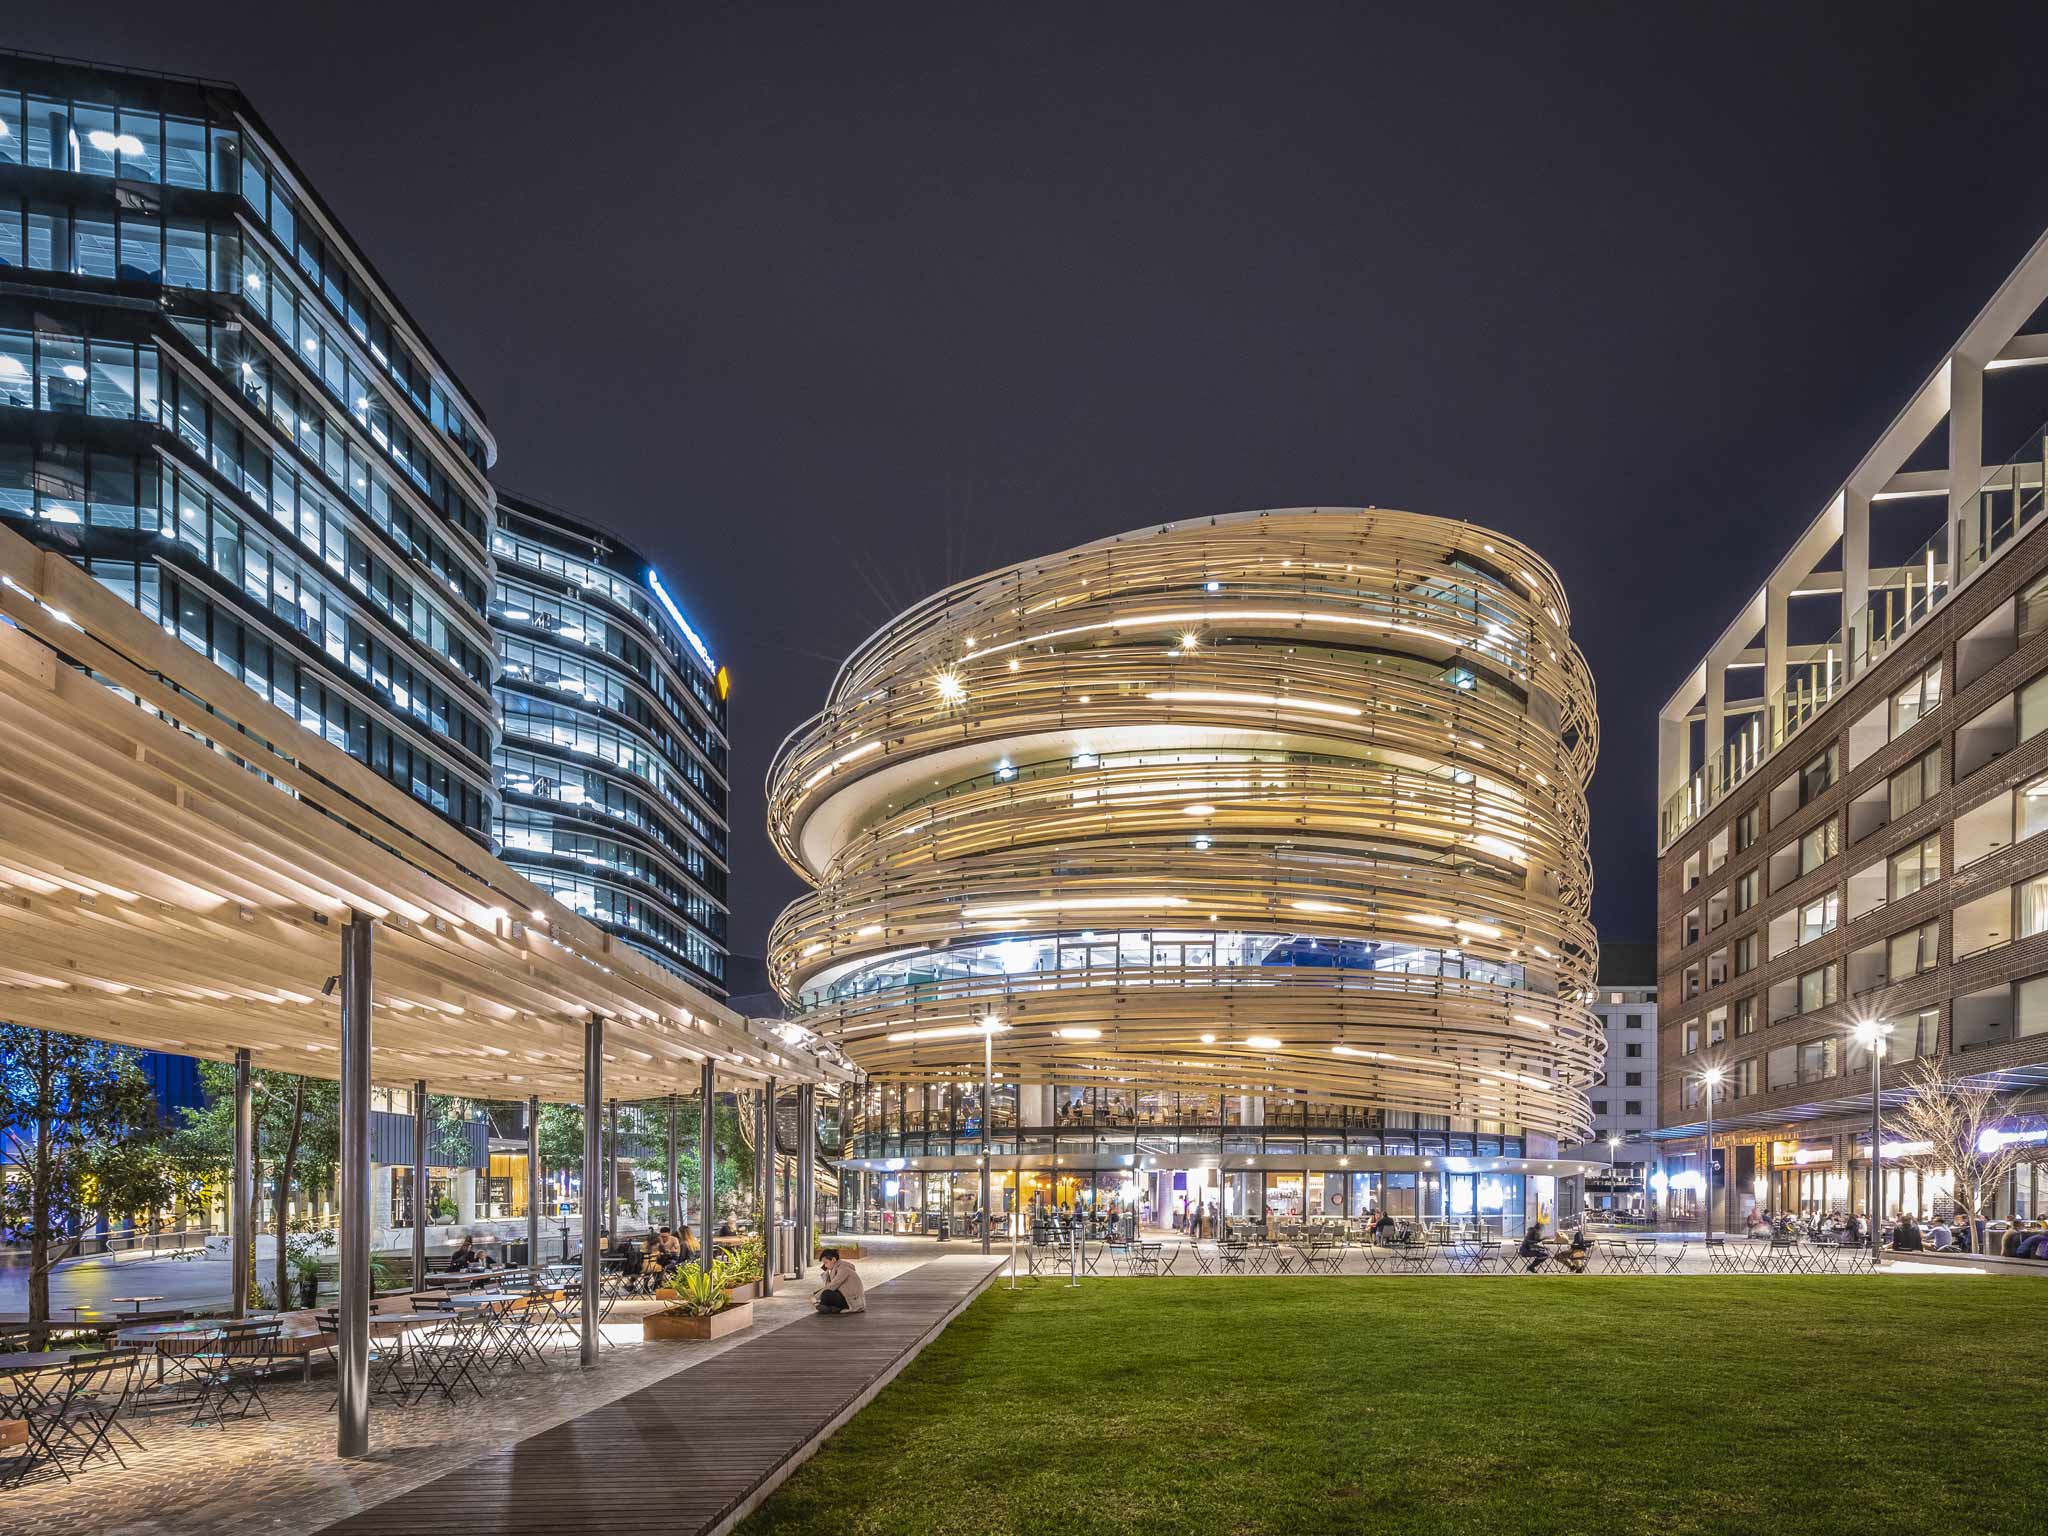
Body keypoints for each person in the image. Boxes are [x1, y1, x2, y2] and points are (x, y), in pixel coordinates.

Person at [814, 1248, 866, 1314]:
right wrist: (826, 1272)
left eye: (826, 1263)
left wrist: (815, 1298)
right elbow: (828, 1285)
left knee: (826, 1294)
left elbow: (833, 1285)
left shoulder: (843, 1268)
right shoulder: (835, 1269)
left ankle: (828, 1307)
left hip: (852, 1301)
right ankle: (831, 1308)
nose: (825, 1265)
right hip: (845, 1297)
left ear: (833, 1260)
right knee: (820, 1292)